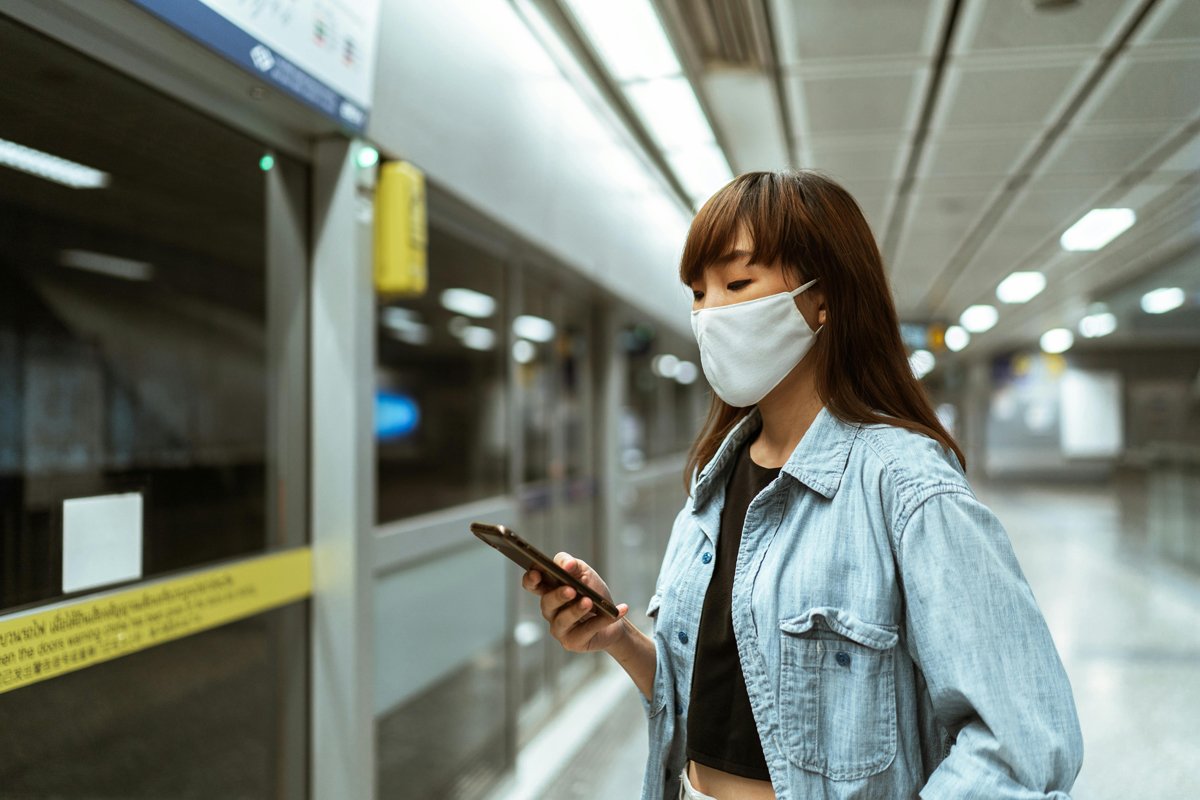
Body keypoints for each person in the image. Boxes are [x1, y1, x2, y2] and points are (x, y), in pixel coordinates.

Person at [521, 171, 1083, 800]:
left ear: (824, 301)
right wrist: (619, 639)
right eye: (698, 293)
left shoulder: (906, 486)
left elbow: (1020, 748)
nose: (709, 314)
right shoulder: (716, 479)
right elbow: (727, 706)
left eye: (737, 284)